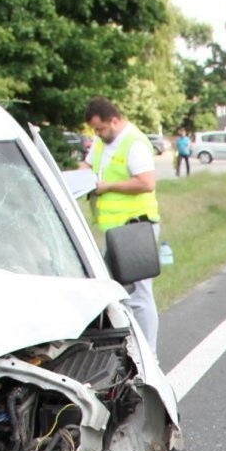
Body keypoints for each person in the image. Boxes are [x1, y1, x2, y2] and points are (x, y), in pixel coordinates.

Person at [80, 96, 160, 353]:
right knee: (113, 291)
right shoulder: (103, 143)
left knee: (139, 295)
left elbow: (146, 182)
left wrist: (107, 186)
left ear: (114, 120)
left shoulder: (133, 143)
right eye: (95, 130)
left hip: (135, 228)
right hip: (116, 231)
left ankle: (149, 354)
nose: (98, 134)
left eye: (101, 129)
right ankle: (126, 348)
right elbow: (87, 165)